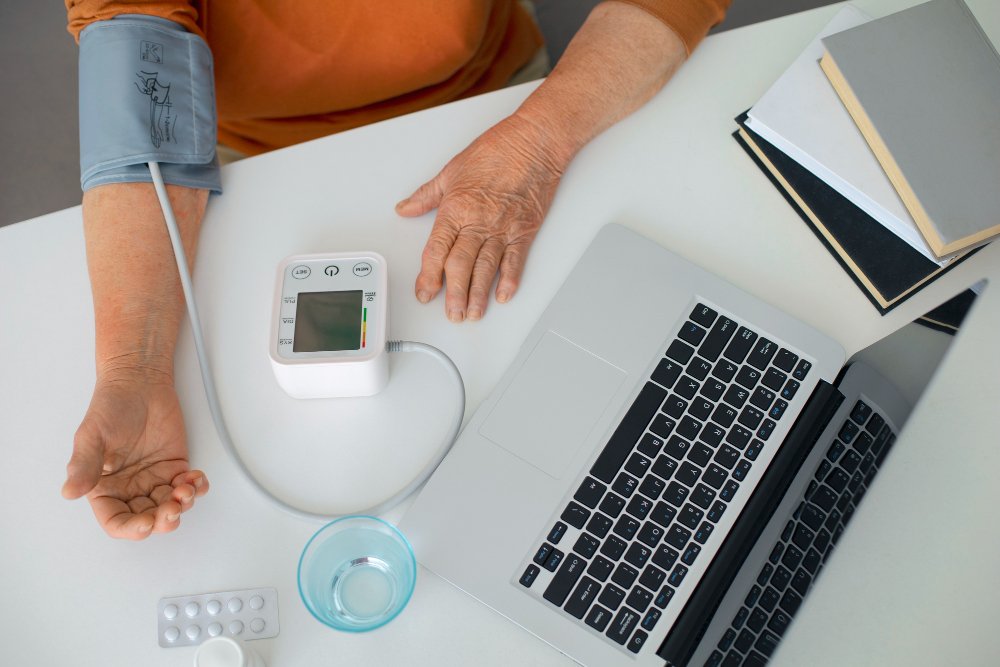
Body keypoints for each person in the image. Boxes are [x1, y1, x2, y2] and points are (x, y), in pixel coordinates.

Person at [60, 0, 731, 539]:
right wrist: (135, 370)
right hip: (250, 146)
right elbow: (137, 88)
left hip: (497, 100)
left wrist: (540, 141)